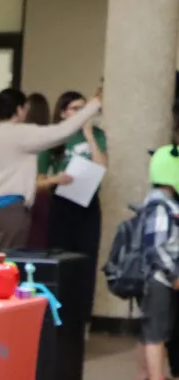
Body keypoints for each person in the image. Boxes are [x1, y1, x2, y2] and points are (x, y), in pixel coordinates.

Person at [0, 87, 101, 254]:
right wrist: (93, 105)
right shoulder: (19, 133)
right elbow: (62, 132)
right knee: (7, 267)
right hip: (9, 210)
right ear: (19, 109)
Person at [38, 90, 109, 260]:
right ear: (63, 113)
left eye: (84, 109)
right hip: (61, 201)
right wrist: (56, 179)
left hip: (88, 202)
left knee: (87, 256)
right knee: (60, 255)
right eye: (75, 109)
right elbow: (39, 180)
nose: (81, 113)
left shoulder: (97, 133)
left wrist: (89, 136)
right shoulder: (53, 137)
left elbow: (102, 166)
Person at [134, 146, 179, 380]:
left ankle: (143, 379)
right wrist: (174, 275)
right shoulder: (161, 205)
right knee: (156, 332)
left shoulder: (159, 202)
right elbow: (156, 247)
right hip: (159, 278)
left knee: (151, 329)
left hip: (158, 277)